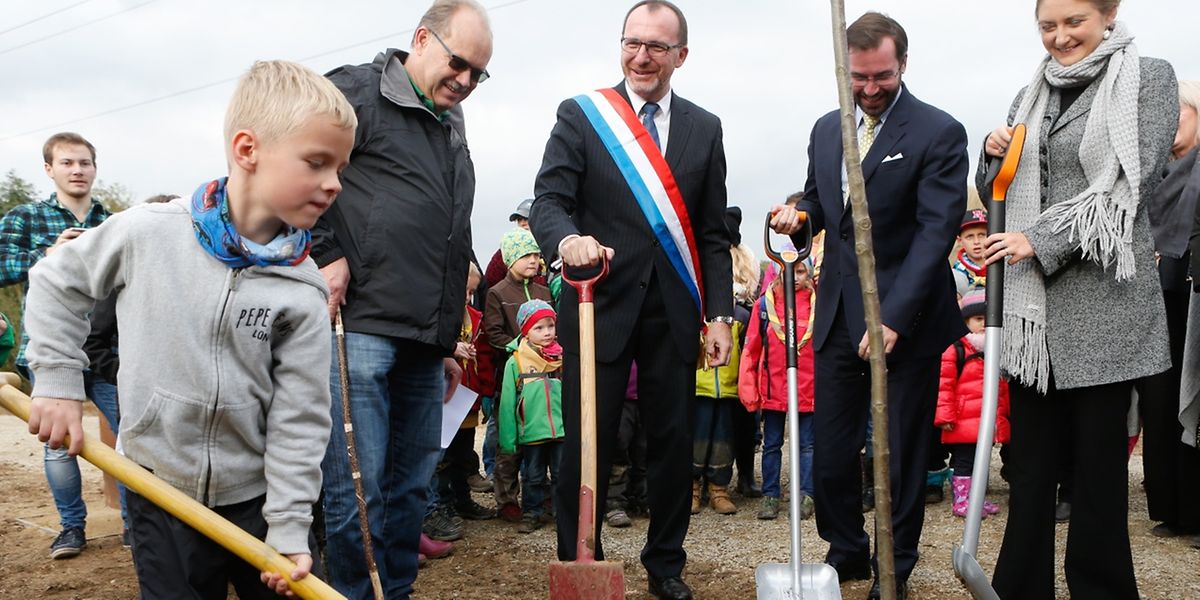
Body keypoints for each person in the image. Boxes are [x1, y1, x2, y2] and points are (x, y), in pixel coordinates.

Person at [23, 59, 353, 599]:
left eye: (340, 167)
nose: (334, 183)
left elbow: (302, 417)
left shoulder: (303, 287)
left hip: (256, 501)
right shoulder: (148, 233)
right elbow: (58, 281)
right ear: (248, 150)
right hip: (159, 489)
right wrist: (58, 379)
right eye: (317, 163)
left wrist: (290, 527)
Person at [529, 2, 732, 597]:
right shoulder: (584, 115)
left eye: (657, 48)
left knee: (671, 446)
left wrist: (719, 314)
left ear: (680, 57)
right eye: (632, 43)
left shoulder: (705, 127)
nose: (642, 56)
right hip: (597, 307)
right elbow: (549, 199)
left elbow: (714, 233)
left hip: (673, 309)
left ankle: (665, 564)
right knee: (586, 443)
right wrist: (567, 240)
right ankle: (581, 560)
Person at [979, 1, 1178, 597]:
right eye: (1048, 26)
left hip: (1105, 307)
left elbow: (1130, 181)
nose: (1060, 37)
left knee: (1098, 473)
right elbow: (1001, 188)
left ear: (1108, 15)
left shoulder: (1150, 77)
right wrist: (991, 153)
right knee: (1031, 471)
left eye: (1074, 23)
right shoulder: (1027, 96)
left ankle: (1102, 590)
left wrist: (1038, 240)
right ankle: (1020, 589)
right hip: (1033, 314)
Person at [770, 12, 968, 599]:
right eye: (858, 77)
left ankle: (896, 563)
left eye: (881, 75)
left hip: (907, 319)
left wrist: (895, 318)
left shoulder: (938, 131)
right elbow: (818, 201)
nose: (870, 88)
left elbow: (937, 231)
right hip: (836, 316)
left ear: (901, 64)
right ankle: (847, 549)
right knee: (830, 453)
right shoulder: (827, 128)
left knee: (901, 454)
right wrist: (800, 216)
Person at [311, 1, 491, 597]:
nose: (465, 81)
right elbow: (294, 160)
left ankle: (397, 591)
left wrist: (446, 336)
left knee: (412, 486)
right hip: (360, 325)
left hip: (423, 338)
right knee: (358, 490)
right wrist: (323, 250)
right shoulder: (355, 91)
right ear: (421, 38)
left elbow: (451, 230)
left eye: (477, 74)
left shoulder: (452, 128)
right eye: (458, 63)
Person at [0, 131, 112, 560]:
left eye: (84, 162)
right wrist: (47, 254)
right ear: (49, 169)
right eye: (67, 163)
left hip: (108, 347)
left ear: (94, 168)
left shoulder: (112, 222)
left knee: (129, 437)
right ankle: (71, 528)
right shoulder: (25, 217)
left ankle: (135, 525)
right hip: (47, 346)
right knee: (60, 443)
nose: (77, 170)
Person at [1136, 79, 1200, 540]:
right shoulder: (1150, 171)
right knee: (1161, 402)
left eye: (1177, 112)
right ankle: (1171, 507)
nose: (1169, 123)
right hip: (1153, 301)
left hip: (1193, 293)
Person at [739, 256, 817, 522]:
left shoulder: (818, 304)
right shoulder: (764, 307)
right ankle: (770, 495)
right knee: (772, 445)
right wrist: (749, 390)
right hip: (773, 390)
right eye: (787, 271)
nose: (794, 277)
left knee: (808, 446)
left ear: (809, 274)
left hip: (809, 391)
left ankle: (807, 494)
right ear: (776, 272)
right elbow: (750, 350)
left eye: (800, 271)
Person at [483, 226, 553, 522]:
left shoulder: (544, 290)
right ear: (511, 258)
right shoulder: (496, 293)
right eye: (526, 254)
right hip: (512, 376)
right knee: (507, 440)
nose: (533, 260)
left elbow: (554, 326)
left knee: (544, 436)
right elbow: (493, 333)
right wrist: (521, 347)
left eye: (536, 254)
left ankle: (540, 496)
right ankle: (507, 499)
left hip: (545, 377)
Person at [691, 227, 753, 516]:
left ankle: (719, 489)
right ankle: (691, 488)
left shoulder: (739, 315)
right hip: (698, 388)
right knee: (696, 437)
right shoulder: (693, 313)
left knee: (723, 440)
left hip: (728, 389)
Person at [933, 290, 1010, 518]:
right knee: (964, 461)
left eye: (988, 319)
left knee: (981, 462)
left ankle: (976, 499)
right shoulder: (957, 348)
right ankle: (962, 500)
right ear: (966, 321)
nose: (984, 325)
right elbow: (944, 384)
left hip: (986, 418)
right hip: (964, 418)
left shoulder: (996, 350)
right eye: (978, 320)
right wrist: (945, 416)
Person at [497, 299, 565, 534]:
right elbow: (507, 402)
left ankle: (562, 514)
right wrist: (509, 438)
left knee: (560, 474)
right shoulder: (516, 361)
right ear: (525, 331)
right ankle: (532, 512)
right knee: (533, 475)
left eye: (550, 326)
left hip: (560, 429)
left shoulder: (562, 357)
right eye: (539, 327)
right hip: (532, 430)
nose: (547, 332)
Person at [952, 209, 989, 298]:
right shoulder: (957, 274)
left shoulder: (1002, 263)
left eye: (981, 235)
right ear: (960, 241)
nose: (976, 242)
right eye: (969, 237)